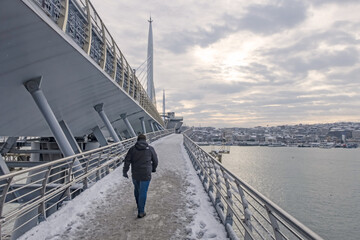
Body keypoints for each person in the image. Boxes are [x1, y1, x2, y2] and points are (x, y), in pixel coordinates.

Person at [123, 134, 158, 218]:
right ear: (145, 140)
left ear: (137, 140)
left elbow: (127, 161)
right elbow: (155, 160)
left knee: (137, 189)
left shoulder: (132, 149)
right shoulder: (150, 149)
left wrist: (125, 171)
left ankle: (139, 205)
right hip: (146, 173)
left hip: (135, 173)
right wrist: (153, 168)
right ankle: (141, 211)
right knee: (143, 191)